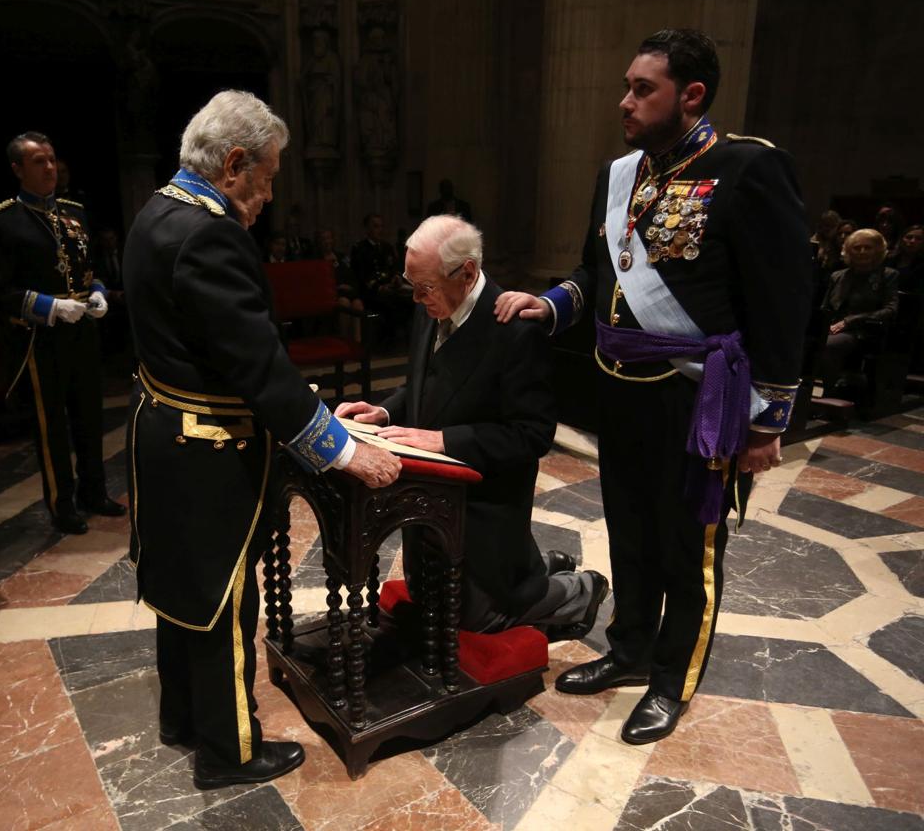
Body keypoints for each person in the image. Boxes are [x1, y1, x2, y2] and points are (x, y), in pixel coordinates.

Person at [495, 29, 811, 744]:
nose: (625, 101)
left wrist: (768, 421)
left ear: (691, 95)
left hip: (698, 398)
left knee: (687, 547)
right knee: (632, 534)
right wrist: (551, 305)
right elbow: (595, 275)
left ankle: (673, 678)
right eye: (628, 86)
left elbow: (784, 298)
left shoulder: (746, 170)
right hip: (621, 390)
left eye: (644, 89)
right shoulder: (622, 175)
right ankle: (631, 648)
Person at [121, 90, 401, 790]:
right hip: (209, 447)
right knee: (225, 596)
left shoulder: (157, 213)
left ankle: (184, 717)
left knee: (182, 589)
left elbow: (217, 354)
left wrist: (325, 419)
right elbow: (258, 366)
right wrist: (340, 449)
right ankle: (230, 750)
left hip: (165, 433)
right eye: (269, 177)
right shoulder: (210, 234)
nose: (270, 195)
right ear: (235, 163)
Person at [337, 215, 608, 637]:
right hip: (431, 499)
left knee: (478, 621)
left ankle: (578, 590)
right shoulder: (431, 304)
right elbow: (425, 382)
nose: (415, 297)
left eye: (423, 286)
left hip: (485, 504)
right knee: (430, 603)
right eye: (412, 284)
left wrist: (445, 440)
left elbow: (532, 434)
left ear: (466, 273)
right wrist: (387, 412)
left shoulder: (516, 331)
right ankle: (541, 566)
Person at [0, 132, 126, 534]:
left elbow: (86, 266)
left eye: (51, 159)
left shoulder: (74, 211)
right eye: (38, 162)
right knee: (53, 425)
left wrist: (96, 293)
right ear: (17, 169)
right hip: (40, 338)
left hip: (82, 330)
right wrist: (50, 307)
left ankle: (94, 492)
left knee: (90, 416)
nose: (49, 168)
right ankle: (62, 503)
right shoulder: (2, 220)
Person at [818, 229, 898, 396]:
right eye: (857, 247)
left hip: (865, 332)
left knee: (828, 344)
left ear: (878, 250)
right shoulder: (837, 276)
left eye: (867, 247)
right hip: (834, 329)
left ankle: (828, 394)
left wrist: (849, 321)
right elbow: (825, 308)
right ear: (848, 251)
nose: (862, 252)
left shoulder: (888, 275)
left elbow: (890, 309)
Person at [350, 213, 412, 337]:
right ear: (367, 229)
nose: (379, 230)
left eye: (381, 226)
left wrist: (397, 277)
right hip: (371, 291)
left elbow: (394, 268)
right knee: (389, 305)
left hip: (390, 287)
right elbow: (361, 274)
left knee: (412, 301)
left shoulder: (387, 247)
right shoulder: (360, 248)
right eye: (375, 226)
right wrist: (378, 287)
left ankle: (407, 340)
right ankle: (387, 342)